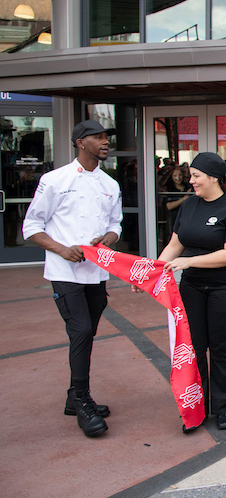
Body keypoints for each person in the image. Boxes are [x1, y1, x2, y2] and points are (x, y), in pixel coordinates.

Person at [23, 120, 122, 438]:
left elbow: (116, 223)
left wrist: (109, 237)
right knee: (80, 330)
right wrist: (62, 249)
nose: (105, 142)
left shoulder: (110, 184)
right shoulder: (54, 180)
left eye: (107, 138)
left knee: (87, 333)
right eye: (99, 137)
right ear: (81, 142)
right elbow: (31, 227)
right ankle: (82, 401)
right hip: (64, 272)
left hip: (96, 273)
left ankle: (73, 396)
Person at [158, 152, 226, 431]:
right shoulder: (189, 207)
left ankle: (222, 407)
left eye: (196, 175)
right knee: (194, 347)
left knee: (220, 346)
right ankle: (197, 407)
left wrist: (188, 262)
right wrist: (152, 272)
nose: (191, 180)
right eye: (191, 175)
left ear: (213, 178)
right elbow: (175, 245)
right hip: (193, 286)